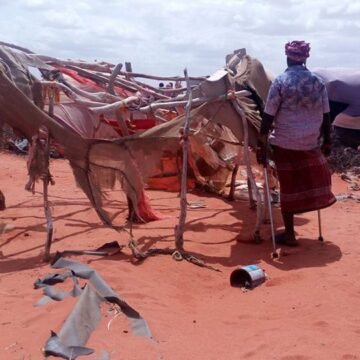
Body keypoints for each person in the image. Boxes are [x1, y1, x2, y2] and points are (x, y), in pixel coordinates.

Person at [257, 40, 336, 246]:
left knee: (288, 185)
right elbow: (327, 115)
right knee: (306, 179)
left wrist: (261, 144)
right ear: (306, 57)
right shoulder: (317, 82)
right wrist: (327, 142)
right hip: (310, 142)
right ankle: (300, 219)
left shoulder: (281, 81)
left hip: (284, 143)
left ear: (288, 57)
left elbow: (268, 116)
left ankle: (290, 233)